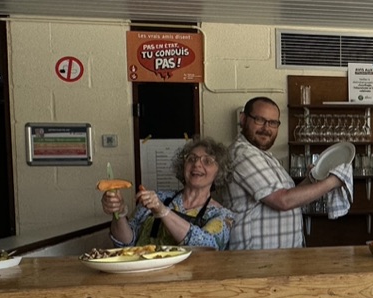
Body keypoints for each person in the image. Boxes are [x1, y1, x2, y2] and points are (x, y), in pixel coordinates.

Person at [225, 96, 344, 249]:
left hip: (277, 256)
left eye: (273, 123)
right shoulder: (242, 154)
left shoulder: (264, 155)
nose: (266, 128)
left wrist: (312, 179)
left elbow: (289, 195)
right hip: (256, 257)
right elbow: (282, 201)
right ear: (243, 119)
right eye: (259, 120)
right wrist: (333, 181)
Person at [102, 138, 234, 250]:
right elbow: (125, 244)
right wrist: (119, 214)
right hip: (143, 271)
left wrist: (163, 211)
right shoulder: (157, 197)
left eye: (207, 161)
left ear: (219, 172)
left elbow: (206, 247)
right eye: (191, 159)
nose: (197, 164)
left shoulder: (222, 215)